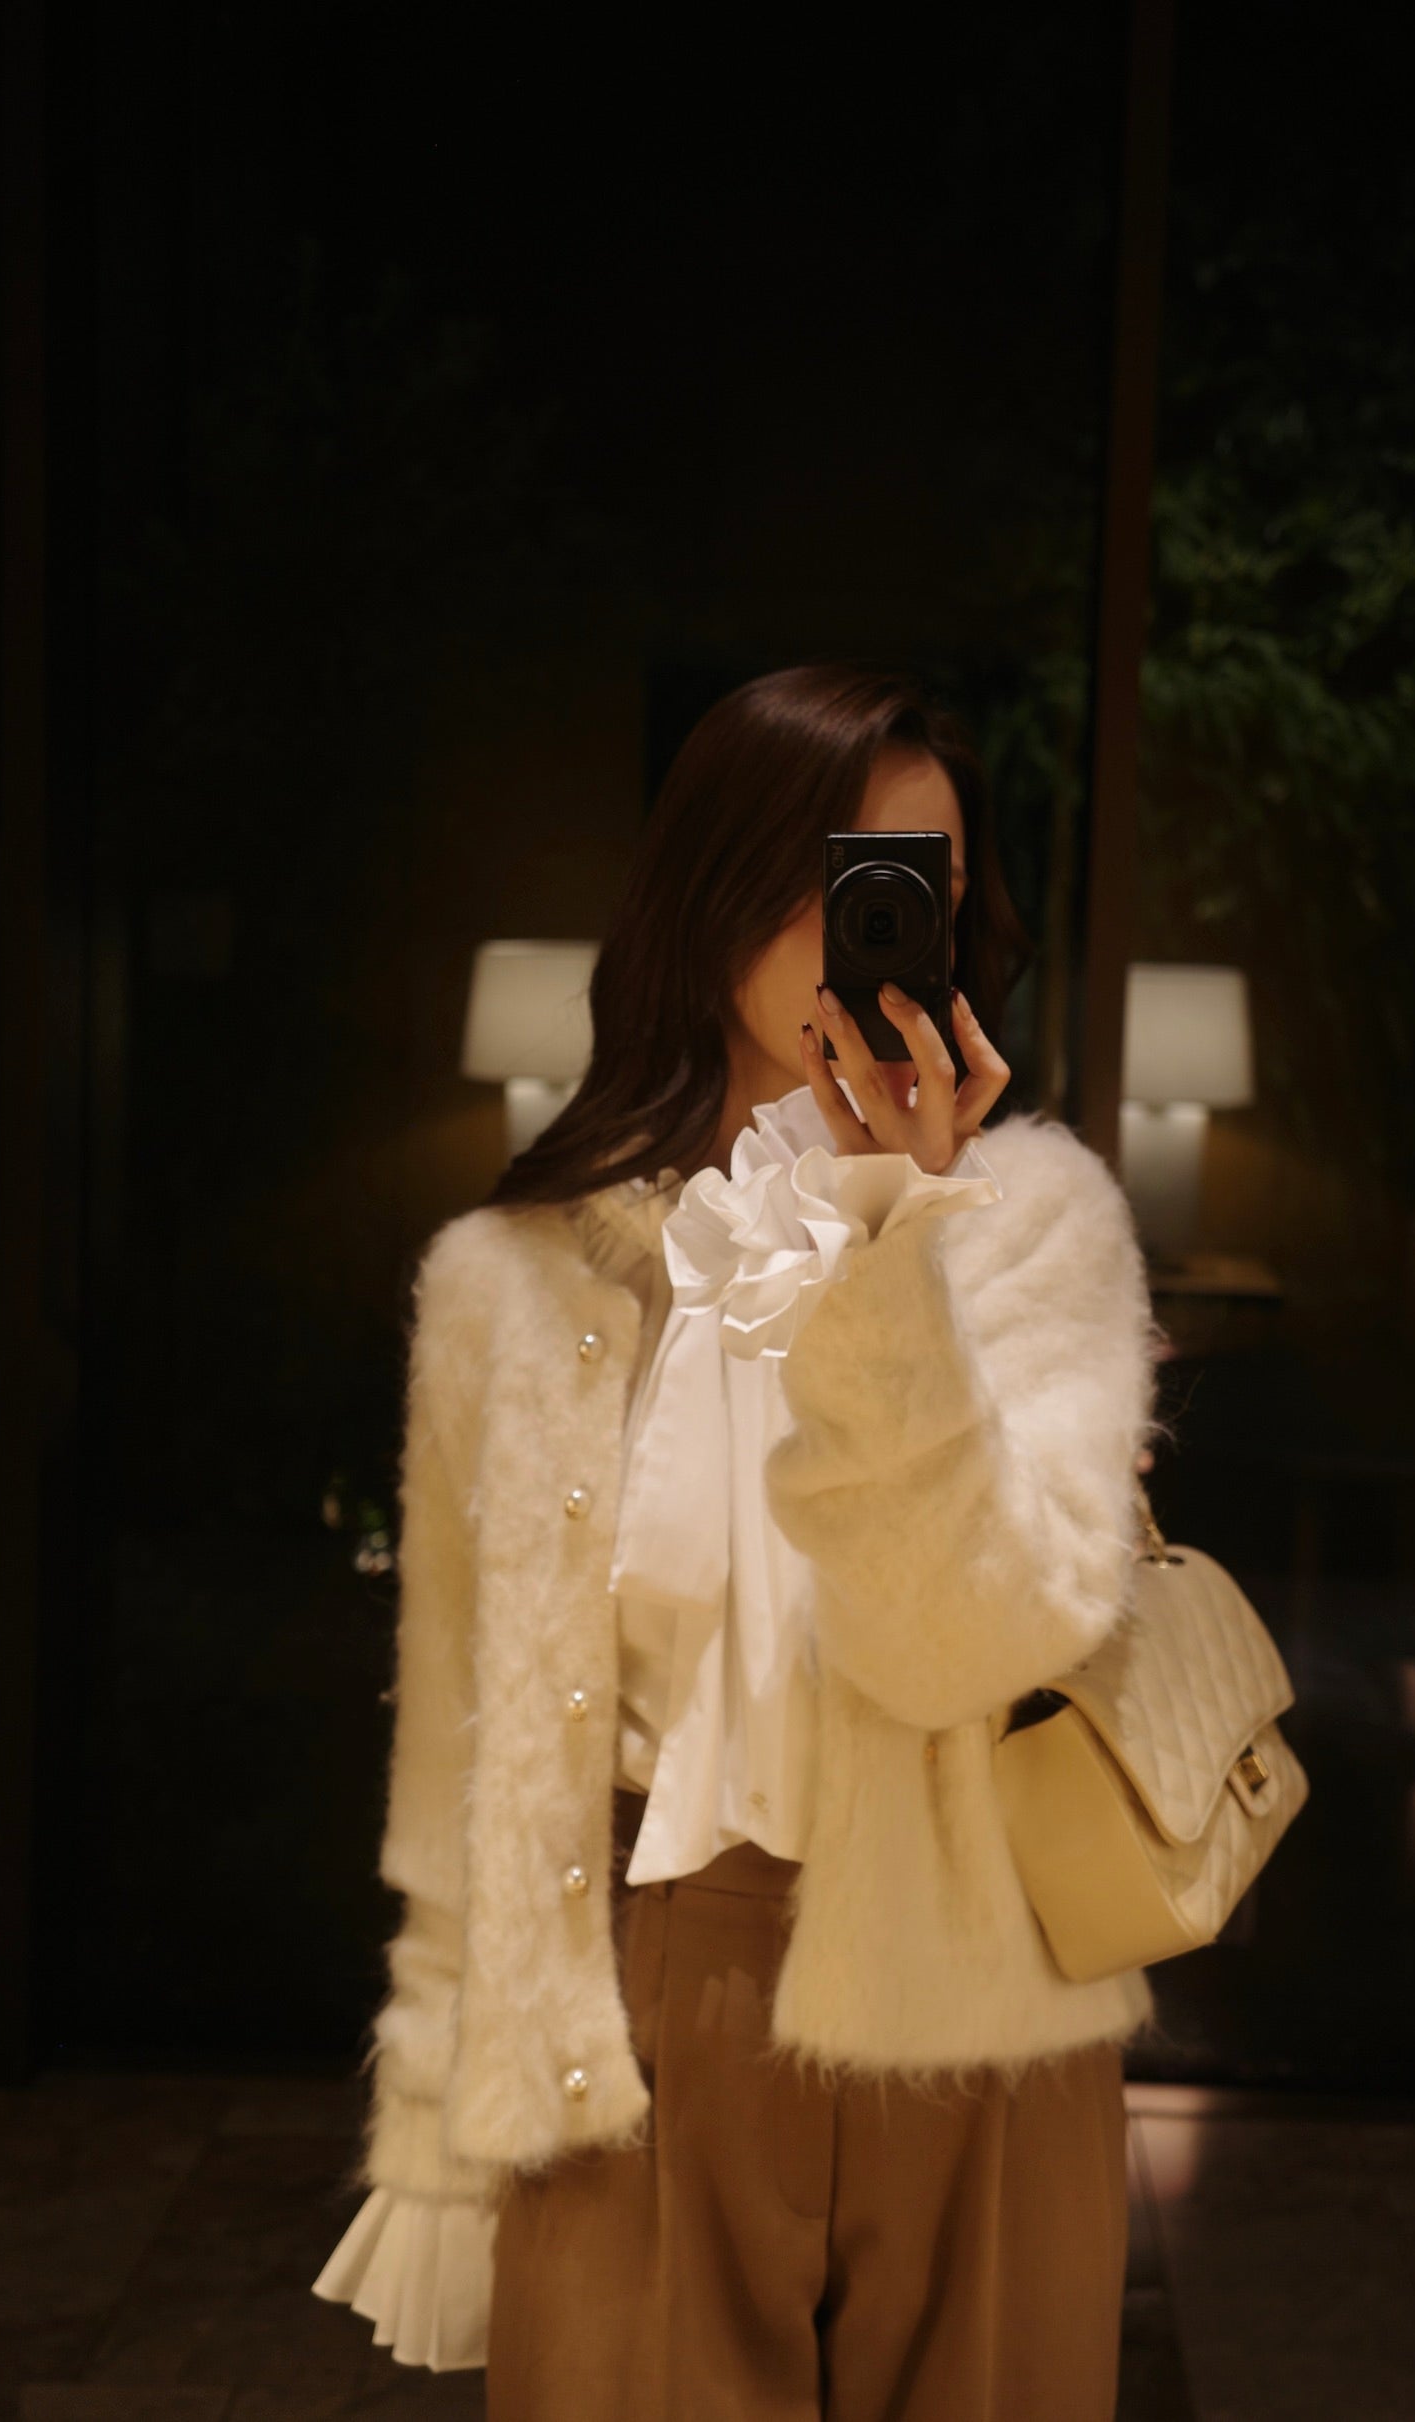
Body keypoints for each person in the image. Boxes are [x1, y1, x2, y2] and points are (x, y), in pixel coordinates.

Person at [312, 663, 1166, 2417]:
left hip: (985, 1998)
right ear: (709, 890)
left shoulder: (1034, 1227)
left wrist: (893, 1229)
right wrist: (441, 2130)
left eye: (914, 886)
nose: (868, 931)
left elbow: (966, 1644)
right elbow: (465, 1754)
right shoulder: (511, 1278)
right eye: (828, 875)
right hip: (648, 1989)